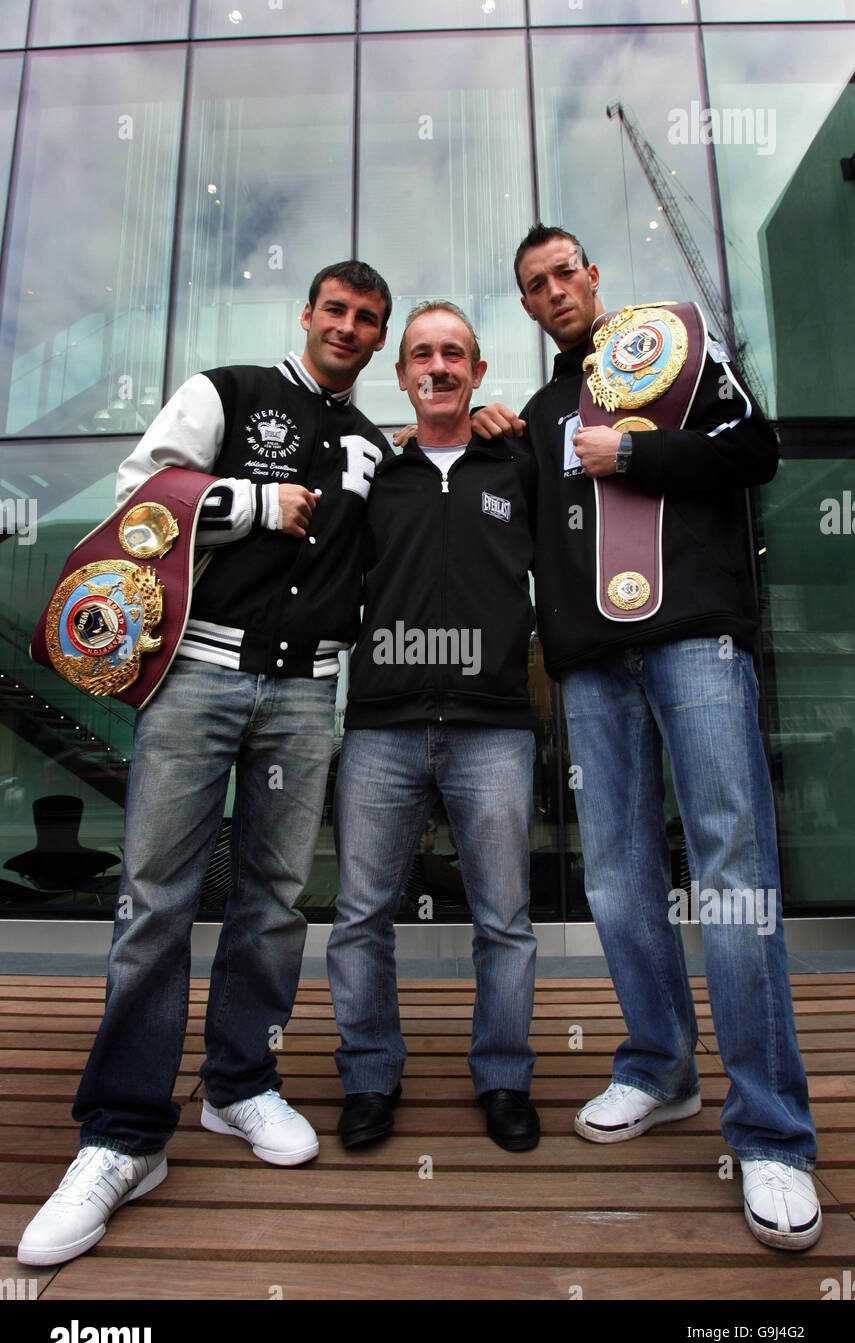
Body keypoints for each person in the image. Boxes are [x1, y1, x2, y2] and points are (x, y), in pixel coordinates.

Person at [18, 260, 393, 1267]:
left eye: (368, 320)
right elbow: (142, 494)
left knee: (273, 898)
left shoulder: (370, 443)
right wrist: (251, 505)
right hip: (199, 674)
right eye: (337, 311)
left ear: (378, 336)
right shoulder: (228, 389)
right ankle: (123, 1136)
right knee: (155, 898)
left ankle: (237, 1084)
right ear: (307, 313)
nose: (349, 329)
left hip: (310, 690)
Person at [472, 223, 820, 1250]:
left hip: (695, 644)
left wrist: (637, 451)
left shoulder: (678, 356)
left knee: (733, 868)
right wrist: (478, 429)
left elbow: (757, 452)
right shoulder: (538, 413)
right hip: (590, 666)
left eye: (564, 272)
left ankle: (770, 1135)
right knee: (622, 876)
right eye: (533, 285)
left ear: (592, 275)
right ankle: (658, 1069)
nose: (553, 291)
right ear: (530, 305)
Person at [326, 300, 541, 1153]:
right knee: (358, 916)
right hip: (381, 724)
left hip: (493, 727)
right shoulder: (379, 474)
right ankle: (370, 1077)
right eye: (422, 354)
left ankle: (503, 1078)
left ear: (478, 371)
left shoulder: (516, 465)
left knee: (504, 920)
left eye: (454, 354)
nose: (439, 367)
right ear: (402, 373)